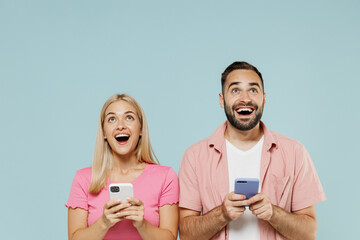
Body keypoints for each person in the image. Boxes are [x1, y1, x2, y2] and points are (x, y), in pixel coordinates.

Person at [178, 61, 326, 240]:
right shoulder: (194, 157)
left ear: (264, 99)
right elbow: (186, 234)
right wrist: (222, 214)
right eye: (235, 90)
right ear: (221, 100)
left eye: (253, 90)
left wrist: (274, 213)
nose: (245, 98)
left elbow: (309, 233)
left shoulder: (295, 152)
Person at [66, 94, 179, 240]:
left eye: (129, 117)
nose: (120, 125)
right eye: (112, 119)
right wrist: (104, 223)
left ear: (140, 130)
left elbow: (170, 237)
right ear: (104, 132)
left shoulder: (165, 177)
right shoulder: (83, 179)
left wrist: (141, 224)